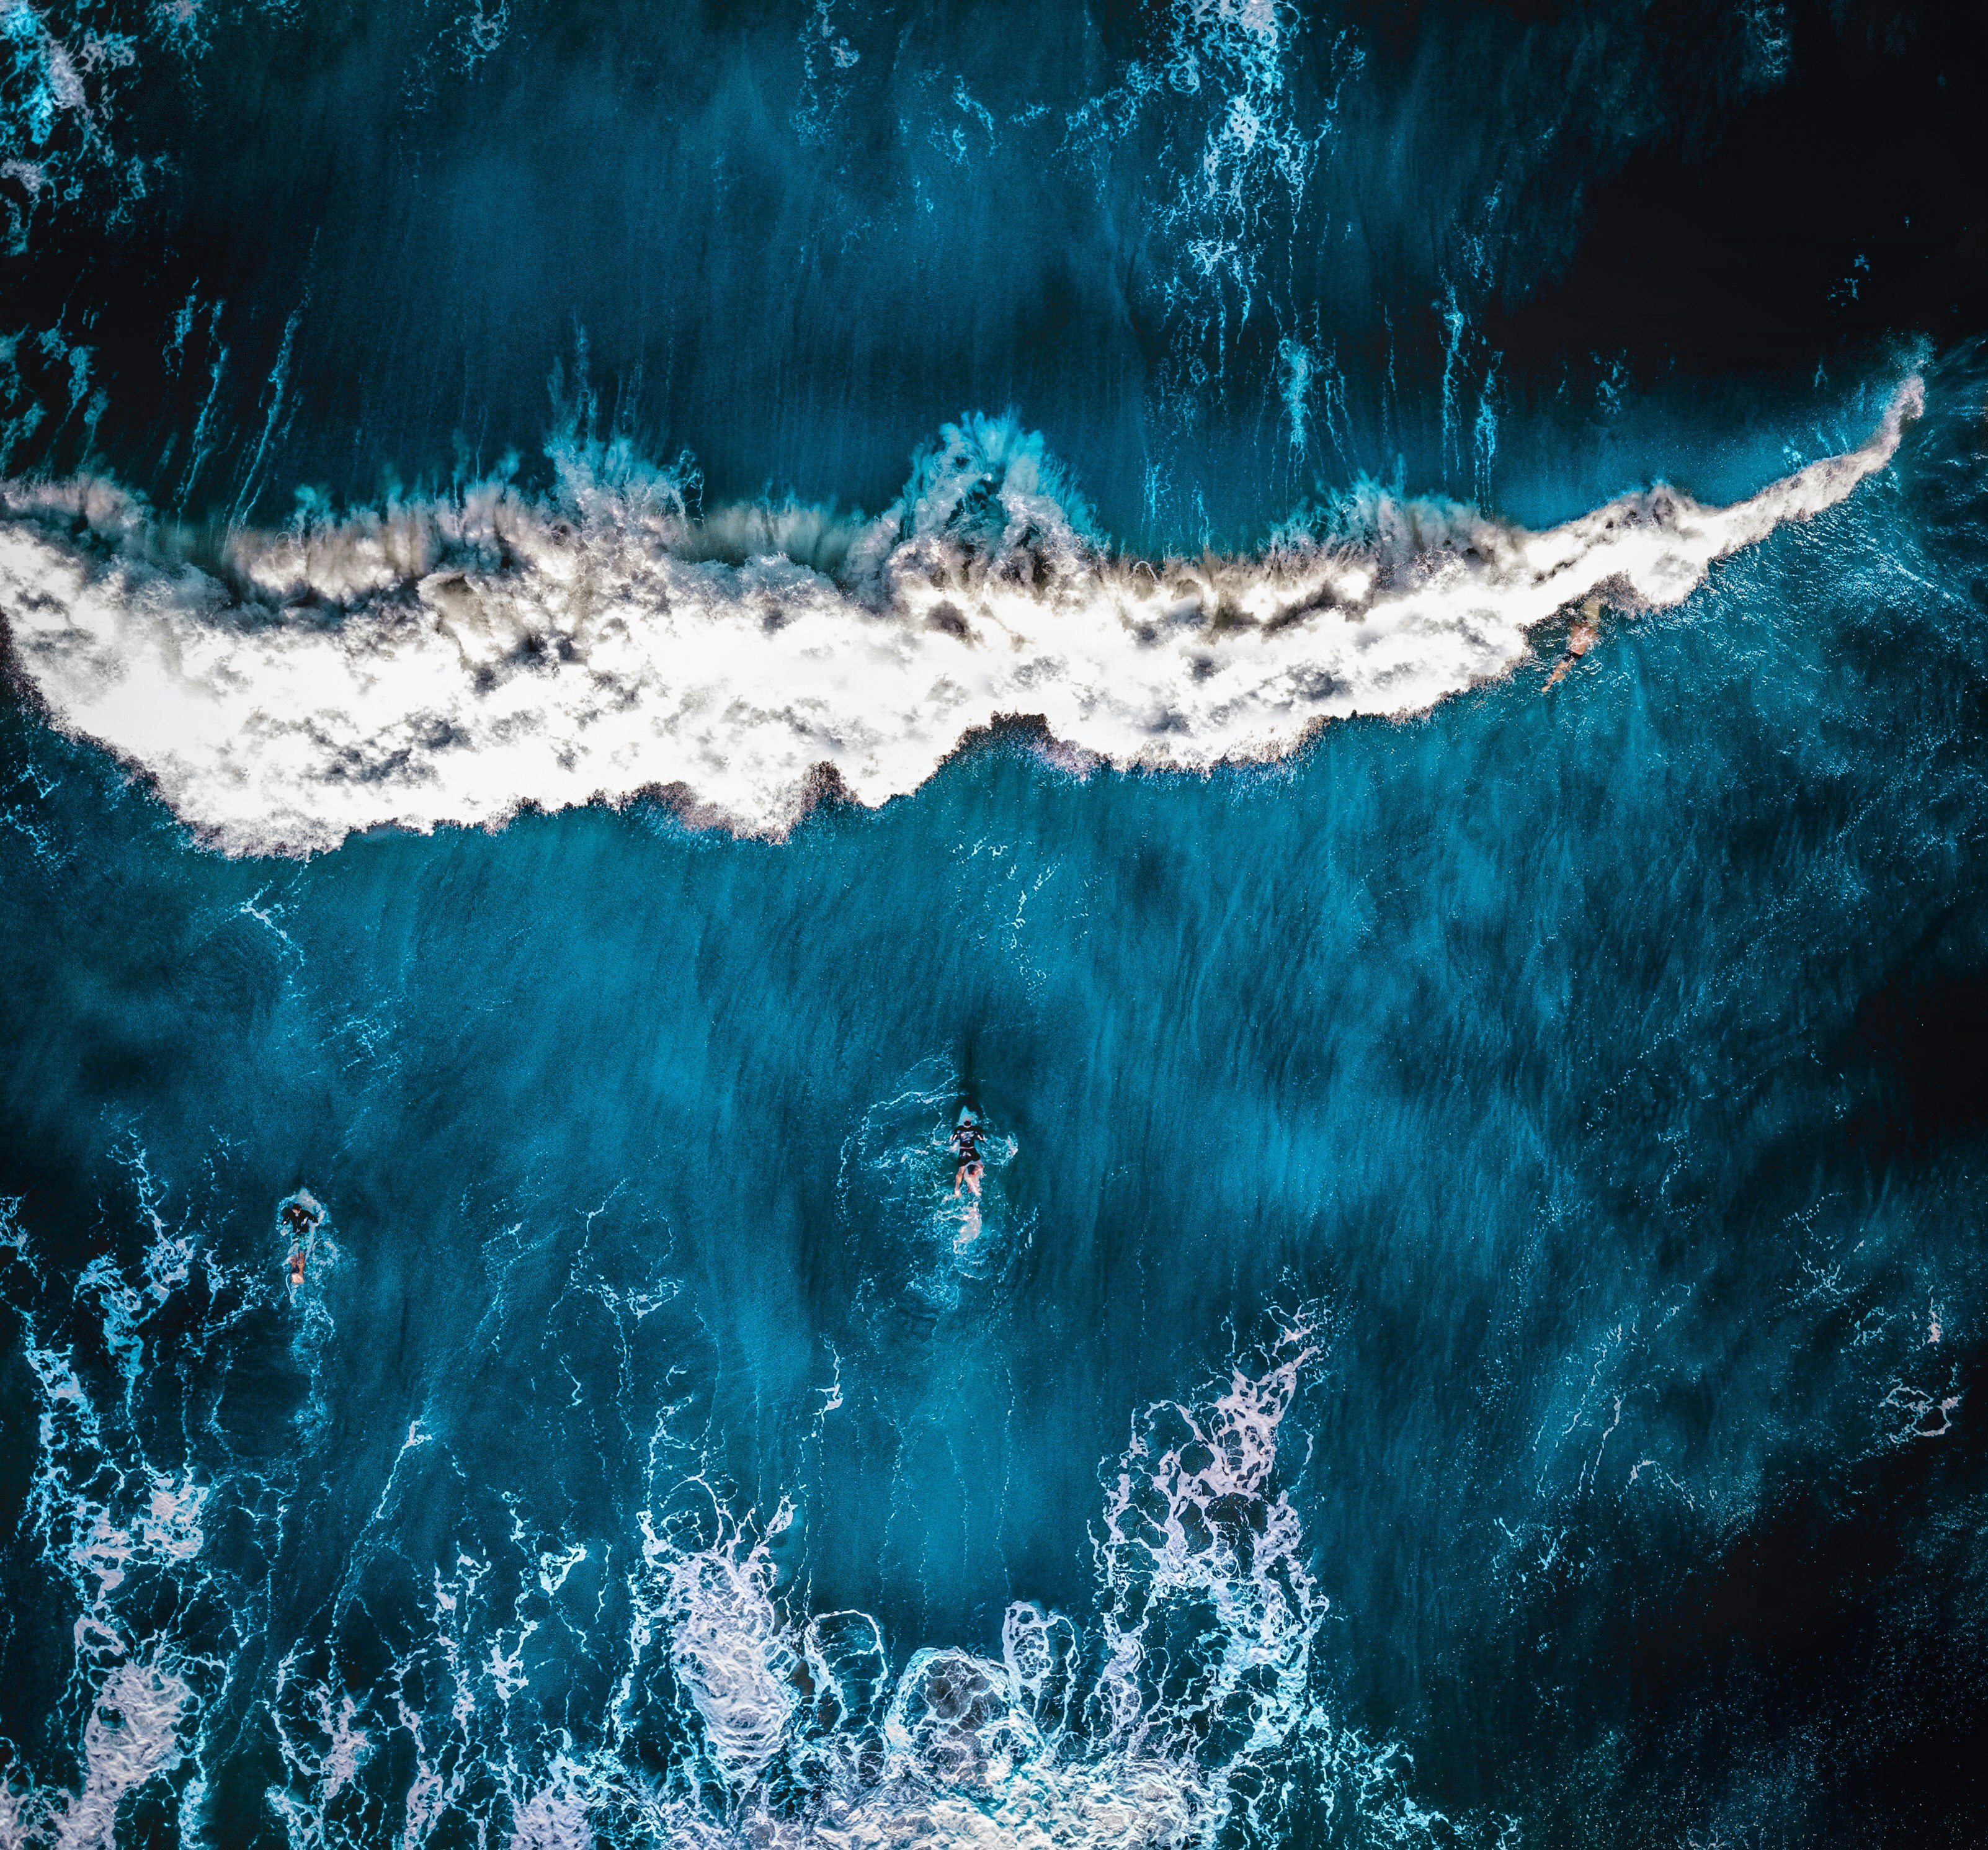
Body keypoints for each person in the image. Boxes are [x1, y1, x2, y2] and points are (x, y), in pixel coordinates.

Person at [1544, 598, 1601, 690]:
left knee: (1558, 668)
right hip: (1579, 655)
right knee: (1570, 664)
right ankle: (1566, 671)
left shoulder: (1576, 628)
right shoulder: (1590, 633)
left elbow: (1570, 622)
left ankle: (1549, 685)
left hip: (1571, 652)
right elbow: (1597, 637)